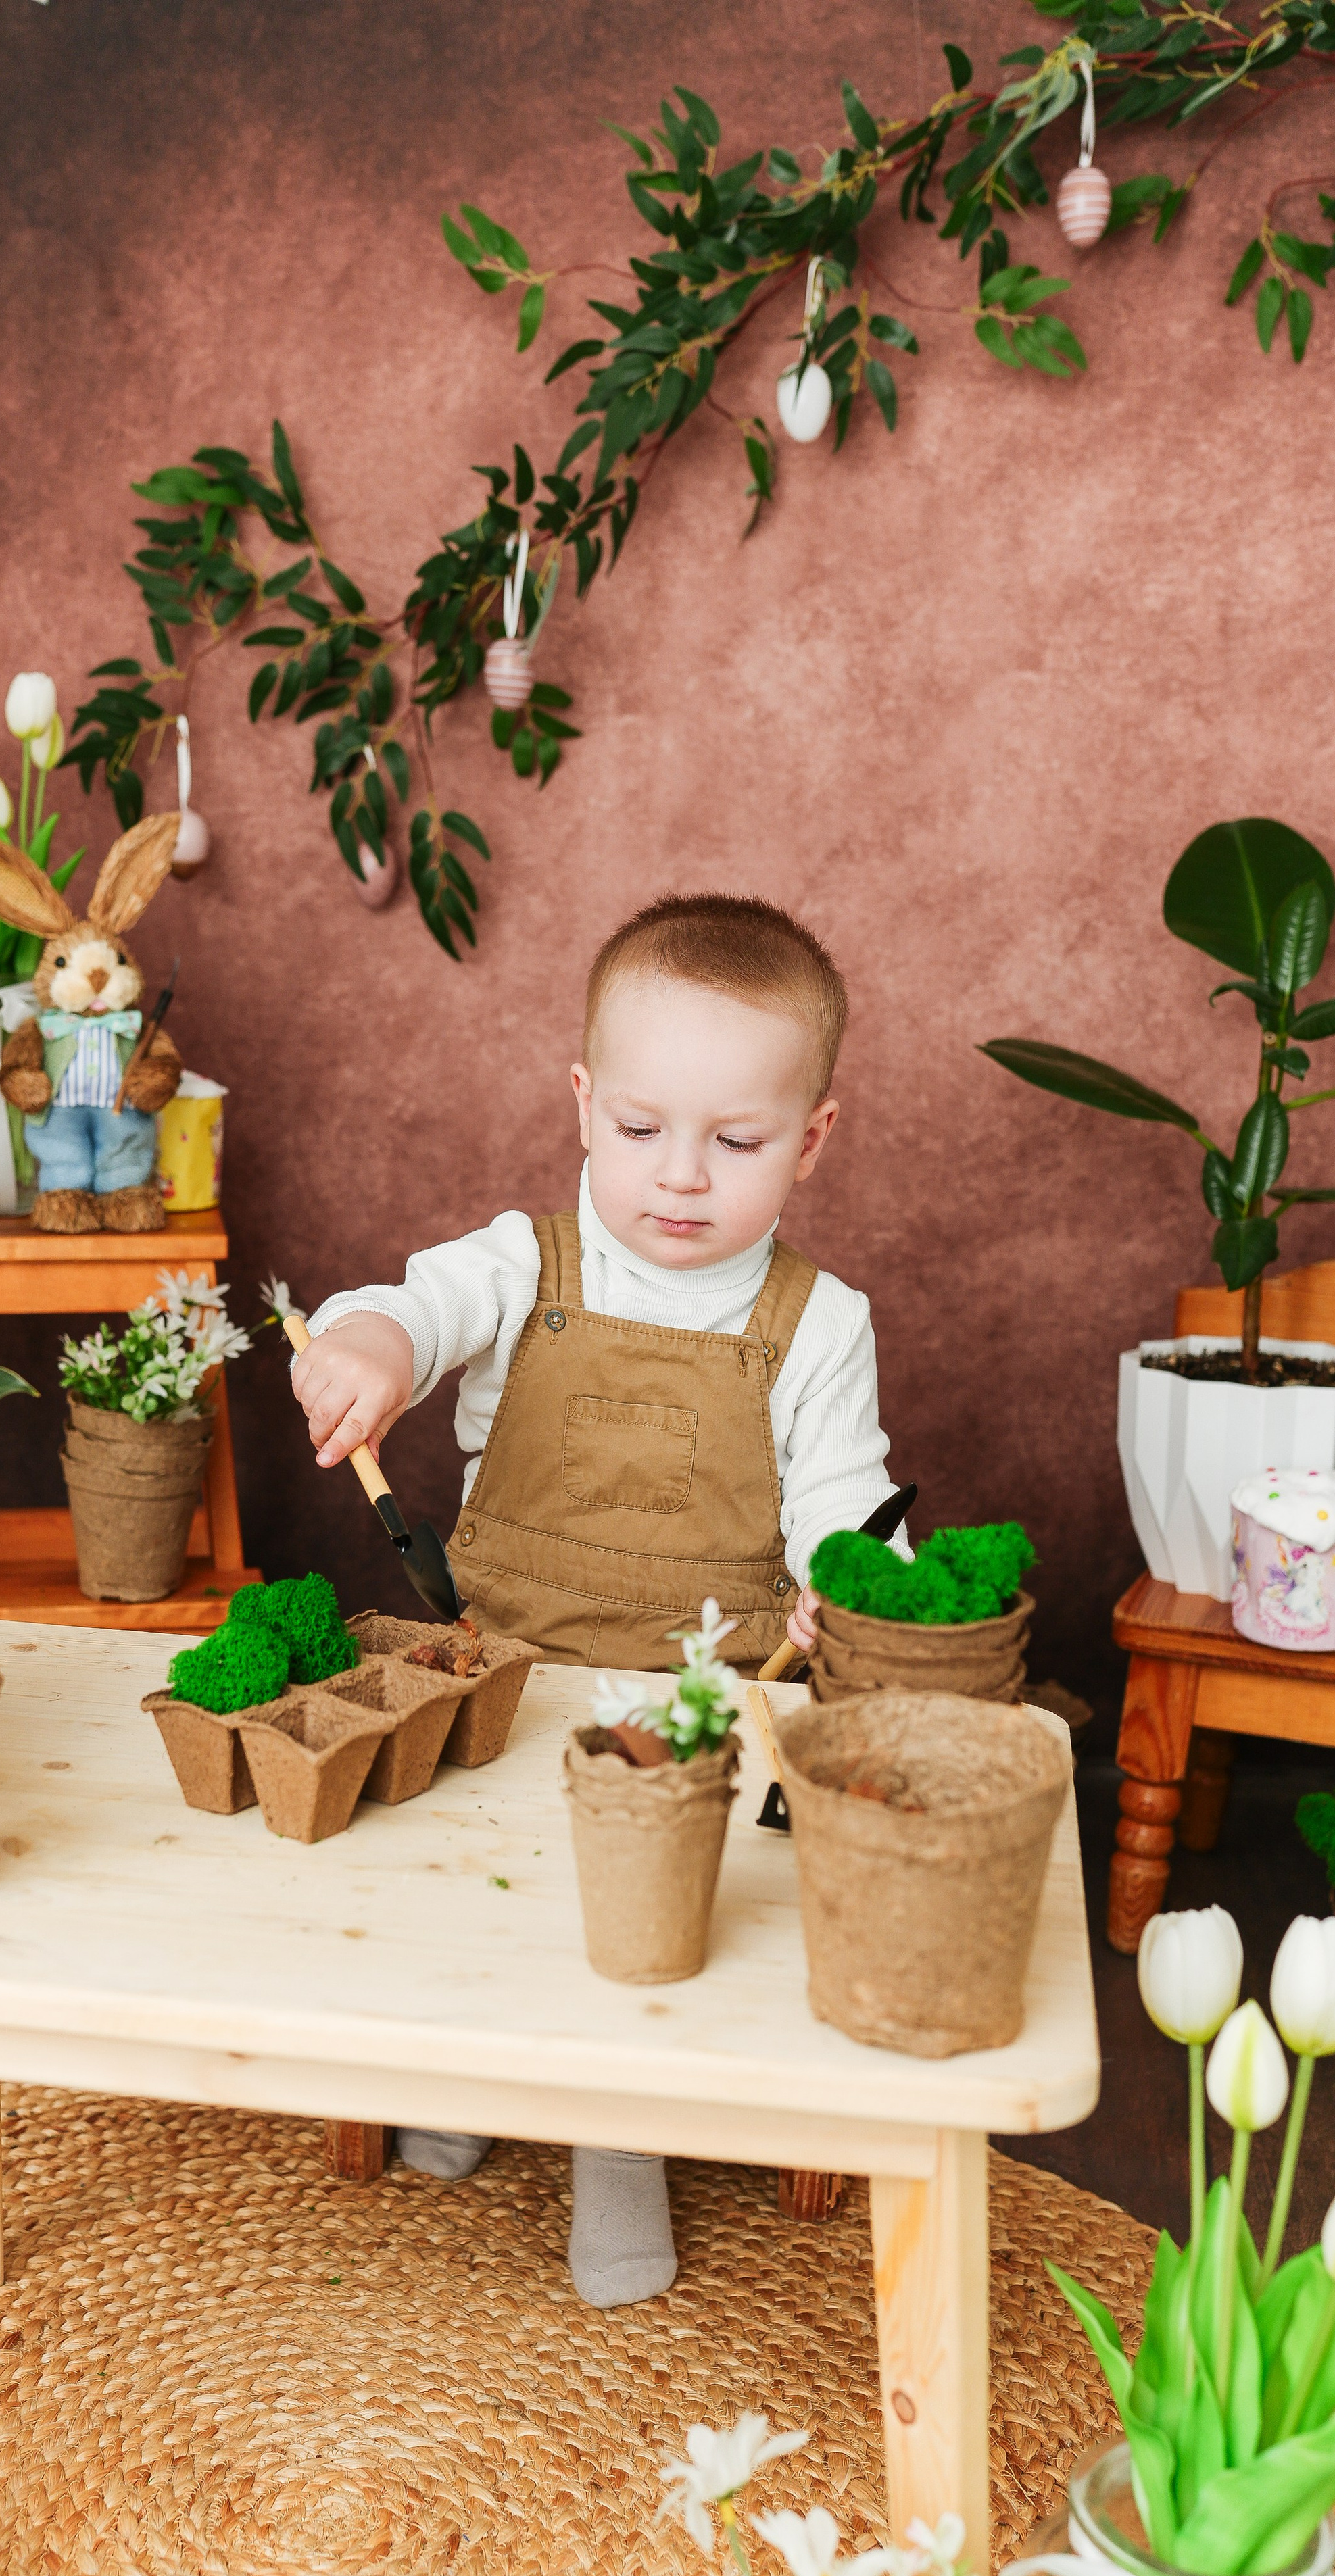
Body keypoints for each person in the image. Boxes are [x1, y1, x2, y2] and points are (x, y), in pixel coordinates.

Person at [291, 890, 904, 2306]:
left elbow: (840, 1501)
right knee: (474, 1887)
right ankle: (484, 2072)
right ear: (581, 1107)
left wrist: (850, 1590)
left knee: (646, 1918)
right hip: (501, 1671)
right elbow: (412, 1306)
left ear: (809, 1140)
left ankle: (615, 2143)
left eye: (734, 1142)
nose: (677, 1178)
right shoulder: (526, 1261)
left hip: (699, 1699)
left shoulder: (819, 1322)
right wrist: (373, 1351)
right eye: (639, 1131)